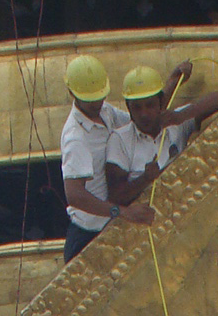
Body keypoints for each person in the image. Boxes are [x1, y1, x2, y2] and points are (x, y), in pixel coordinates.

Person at [59, 53, 154, 264]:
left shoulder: (105, 111)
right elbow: (74, 194)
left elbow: (135, 122)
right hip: (87, 235)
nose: (96, 103)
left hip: (111, 224)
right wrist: (123, 212)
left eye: (99, 97)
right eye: (89, 99)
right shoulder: (76, 137)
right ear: (72, 93)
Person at [105, 62, 218, 208]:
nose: (144, 114)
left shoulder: (177, 122)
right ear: (128, 107)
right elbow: (116, 197)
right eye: (137, 107)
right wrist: (145, 179)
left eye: (150, 105)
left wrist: (181, 116)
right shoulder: (120, 140)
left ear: (160, 102)